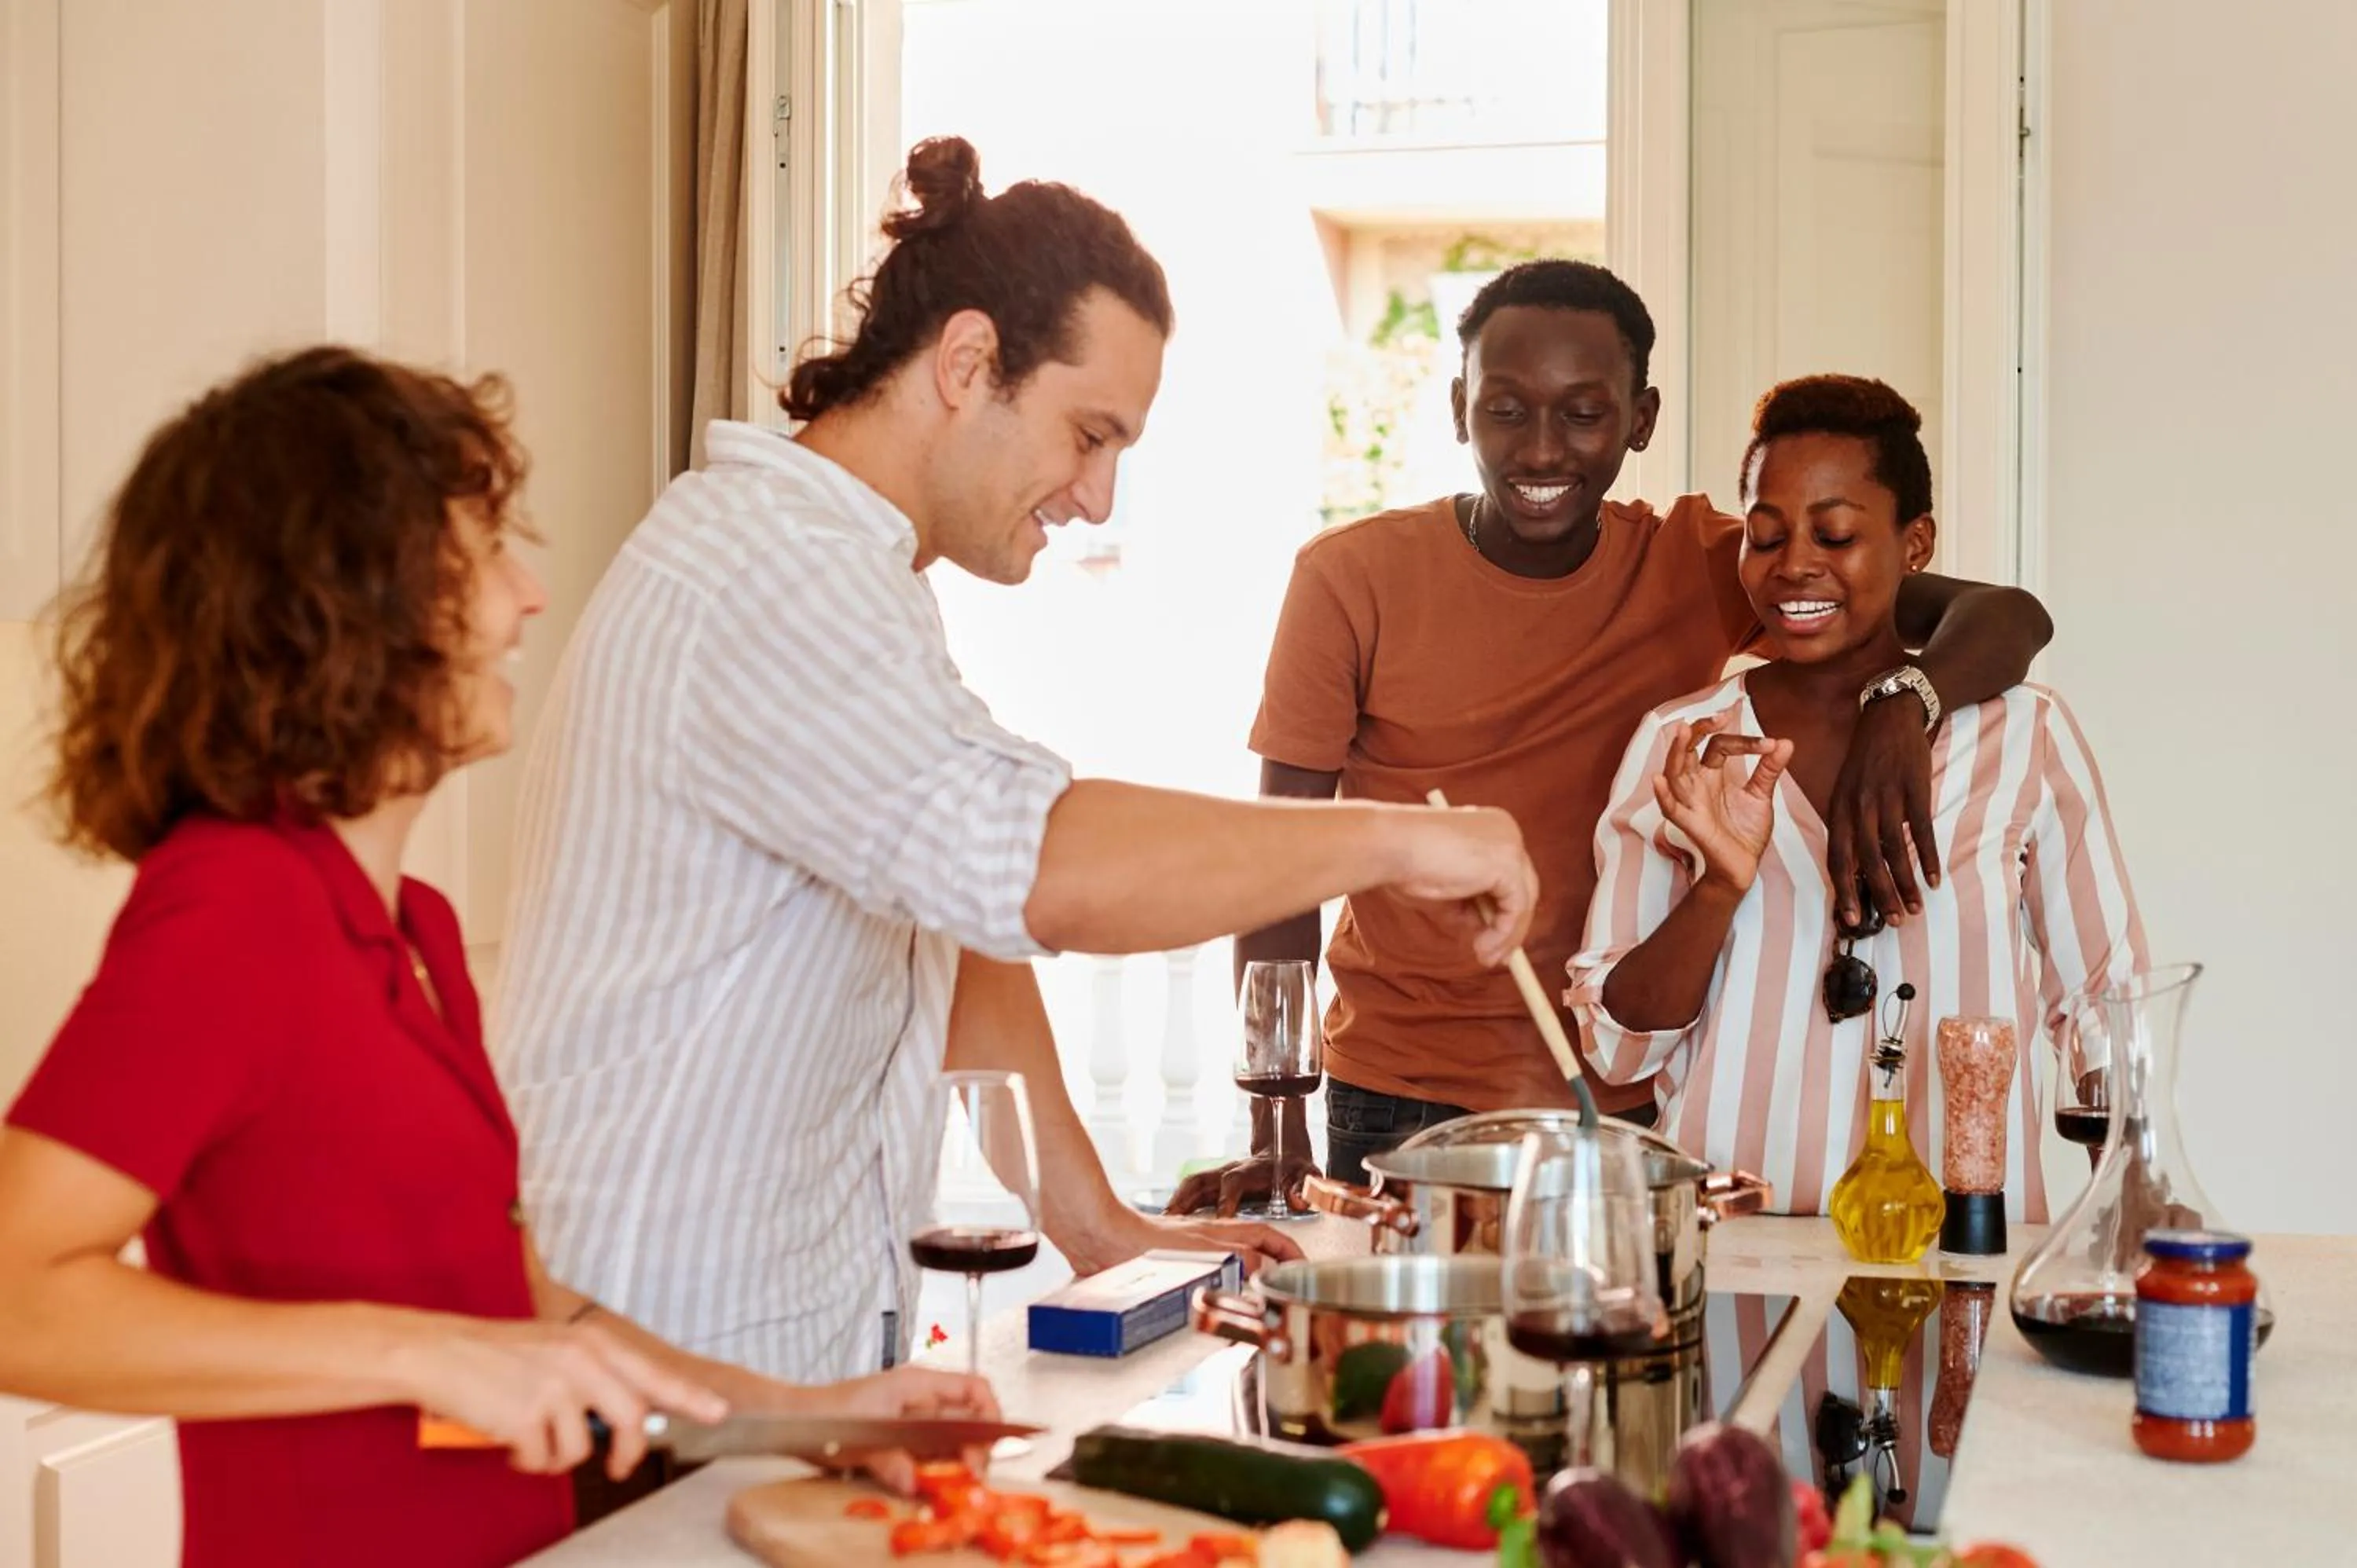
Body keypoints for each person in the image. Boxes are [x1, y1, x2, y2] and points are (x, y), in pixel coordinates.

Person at [490, 135, 1539, 1386]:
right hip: (652, 1370)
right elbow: (1036, 869)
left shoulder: (854, 579)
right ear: (969, 362)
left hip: (771, 1351)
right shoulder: (776, 578)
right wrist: (1398, 837)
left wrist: (1096, 1226)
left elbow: (967, 925)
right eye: (1087, 434)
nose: (1095, 497)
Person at [0, 348, 997, 1568]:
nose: (527, 595)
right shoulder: (235, 907)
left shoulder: (413, 931)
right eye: (482, 554)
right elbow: (17, 1291)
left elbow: (536, 1314)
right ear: (347, 596)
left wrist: (806, 1418)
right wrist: (421, 1352)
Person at [1175, 262, 2055, 1207]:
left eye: (1584, 413)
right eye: (1506, 410)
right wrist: (1275, 1125)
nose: (1541, 450)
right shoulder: (1349, 579)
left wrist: (1902, 702)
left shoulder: (1710, 562)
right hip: (1398, 1101)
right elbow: (1279, 866)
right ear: (1459, 406)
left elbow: (2008, 616)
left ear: (1641, 419)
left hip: (1629, 1103)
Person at [1567, 374, 2147, 1219]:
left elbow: (2107, 1004)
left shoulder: (2027, 735)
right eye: (1765, 537)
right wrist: (1721, 887)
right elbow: (1616, 1051)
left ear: (1916, 546)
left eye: (1834, 533)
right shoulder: (1684, 742)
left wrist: (2121, 1211)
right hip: (1730, 1271)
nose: (1795, 563)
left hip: (1959, 1263)